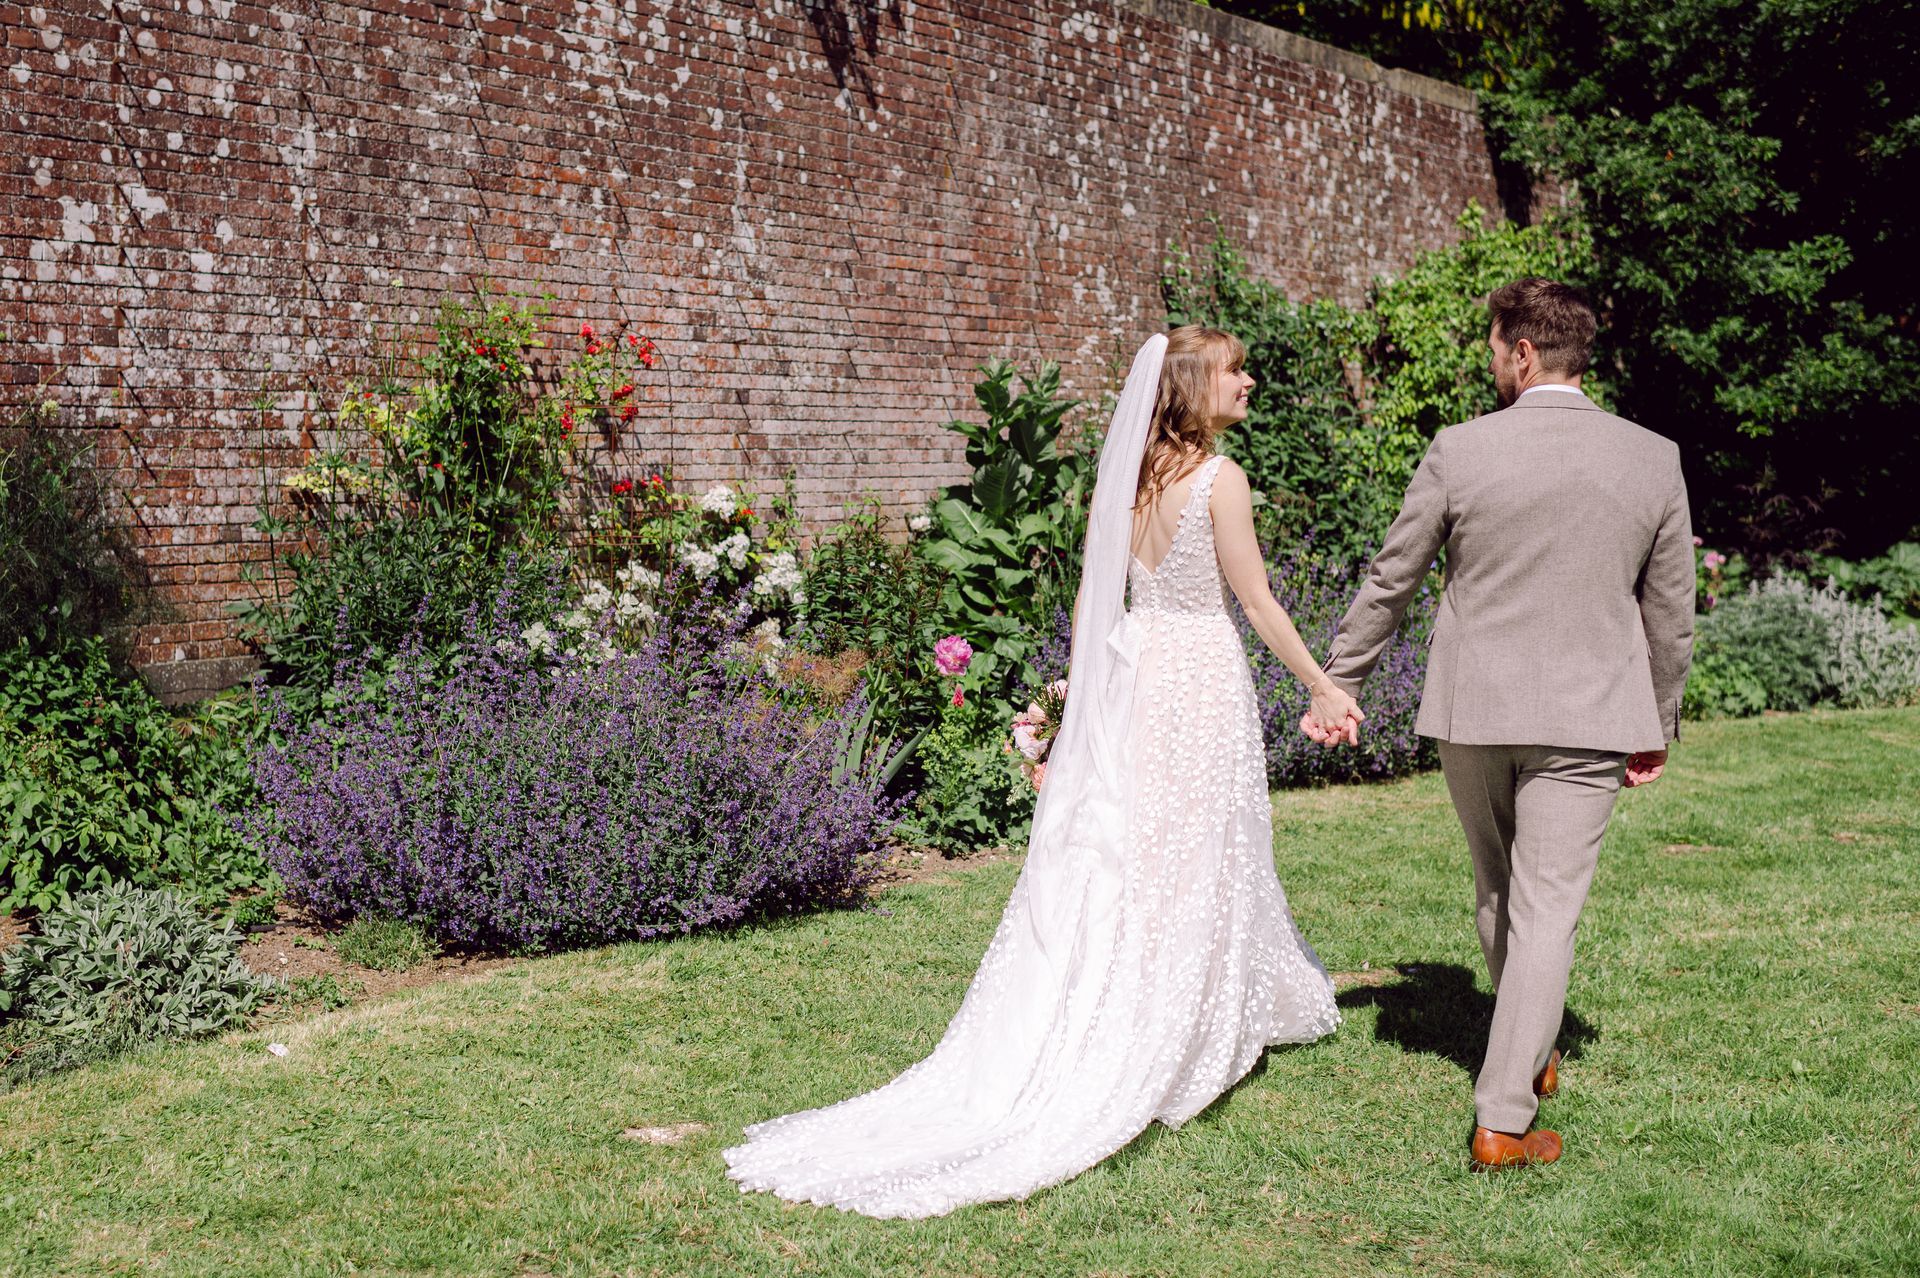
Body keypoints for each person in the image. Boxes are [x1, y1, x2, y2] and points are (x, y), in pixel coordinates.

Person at [722, 327, 1354, 1218]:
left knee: (1145, 849)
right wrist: (1322, 685)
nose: (1248, 381)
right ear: (1189, 387)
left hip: (1141, 683)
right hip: (1202, 680)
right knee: (1199, 846)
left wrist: (1080, 716)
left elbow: (1107, 604)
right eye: (1234, 370)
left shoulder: (1129, 484)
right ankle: (1177, 1021)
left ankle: (1139, 998)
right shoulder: (1222, 481)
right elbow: (1255, 601)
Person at [1307, 278, 1694, 1170]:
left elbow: (1390, 577)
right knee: (1547, 907)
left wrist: (1340, 680)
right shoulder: (1652, 456)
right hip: (1591, 714)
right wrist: (1657, 718)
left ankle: (1525, 1053)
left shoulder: (1459, 448)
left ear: (1523, 352)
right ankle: (1503, 1119)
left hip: (1473, 712)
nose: (1491, 361)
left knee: (1497, 886)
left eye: (1492, 347)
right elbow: (1669, 611)